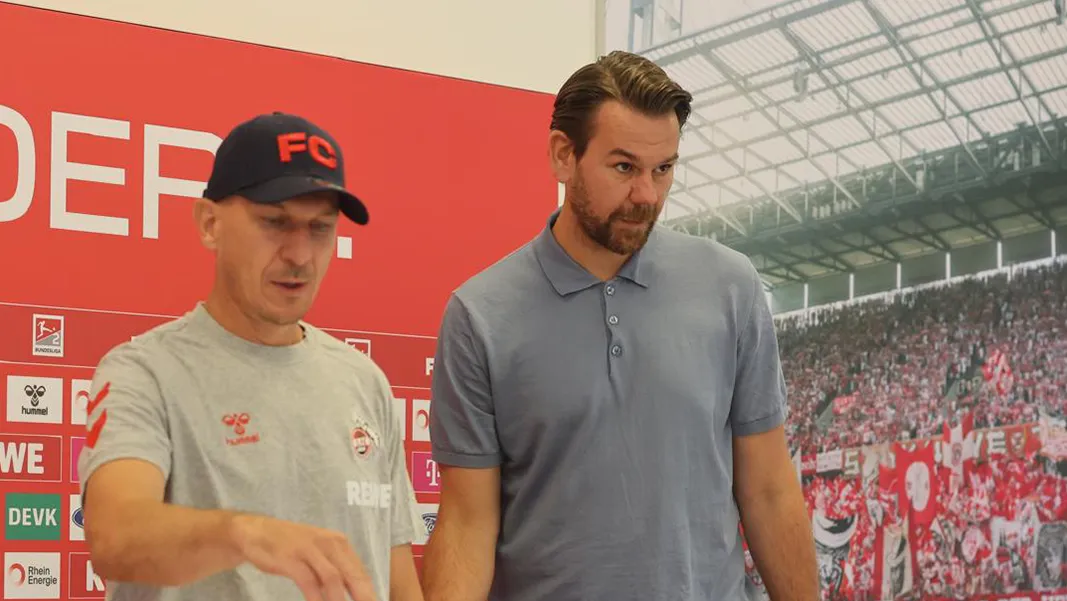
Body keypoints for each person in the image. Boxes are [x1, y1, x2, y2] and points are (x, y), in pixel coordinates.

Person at [420, 51, 818, 601]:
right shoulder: (479, 315)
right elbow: (466, 521)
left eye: (664, 169)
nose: (647, 196)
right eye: (624, 167)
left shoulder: (732, 287)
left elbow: (770, 490)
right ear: (564, 155)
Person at [78, 112, 425, 601]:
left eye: (320, 229)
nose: (300, 255)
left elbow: (397, 580)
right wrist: (246, 534)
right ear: (210, 223)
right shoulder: (144, 372)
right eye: (275, 222)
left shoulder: (364, 381)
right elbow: (114, 536)